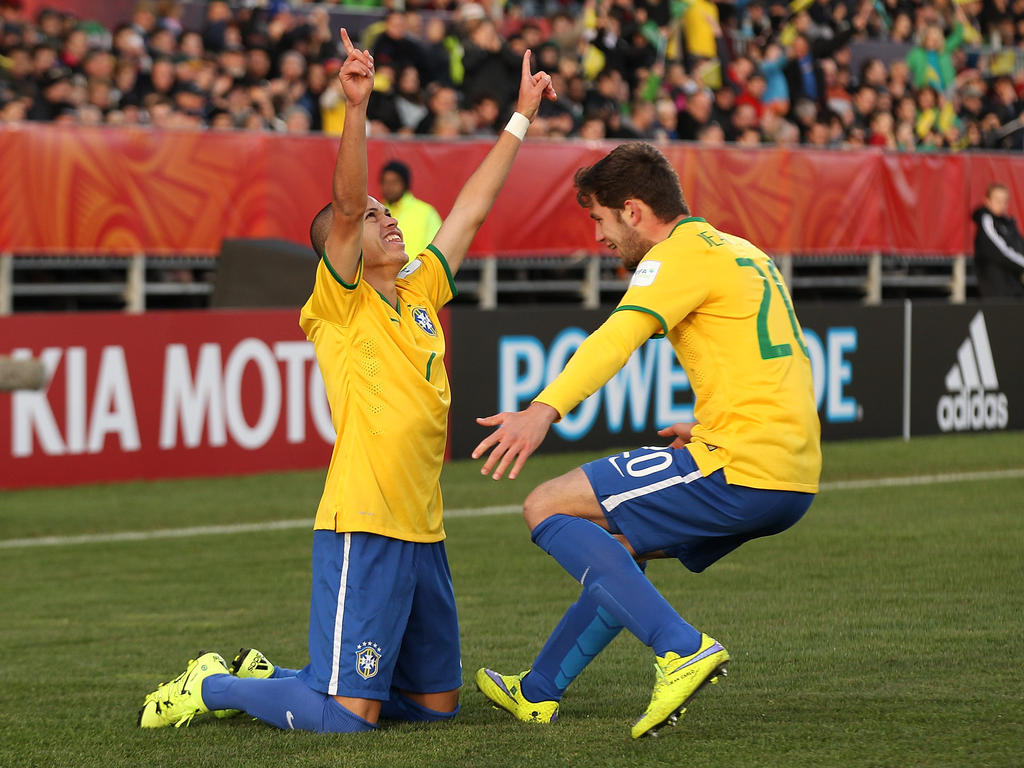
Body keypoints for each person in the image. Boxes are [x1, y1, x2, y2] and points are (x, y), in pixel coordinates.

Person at [137, 29, 555, 734]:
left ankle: (294, 679)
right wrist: (355, 110)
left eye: (388, 213)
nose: (387, 219)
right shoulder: (338, 301)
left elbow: (470, 212)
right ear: (340, 241)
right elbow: (347, 195)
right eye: (371, 218)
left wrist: (520, 119)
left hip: (423, 530)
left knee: (433, 709)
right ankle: (215, 686)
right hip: (362, 523)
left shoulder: (418, 290)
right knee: (347, 722)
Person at [471, 142, 821, 739]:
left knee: (546, 504)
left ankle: (679, 647)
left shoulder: (675, 256)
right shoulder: (742, 251)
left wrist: (543, 409)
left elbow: (616, 337)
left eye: (600, 221)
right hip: (788, 472)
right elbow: (781, 358)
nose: (600, 238)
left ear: (633, 211)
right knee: (618, 548)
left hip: (741, 463)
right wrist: (711, 420)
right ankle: (537, 691)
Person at [378, 159, 442, 261]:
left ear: (405, 184)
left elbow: (438, 251)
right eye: (385, 182)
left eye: (394, 182)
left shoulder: (426, 212)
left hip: (418, 276)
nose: (389, 187)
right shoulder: (376, 214)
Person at [972, 183, 1024, 299]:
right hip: (996, 291)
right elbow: (1003, 252)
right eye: (997, 200)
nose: (1001, 204)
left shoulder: (1009, 223)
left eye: (1004, 201)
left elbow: (1020, 246)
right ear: (987, 201)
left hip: (1015, 289)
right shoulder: (986, 222)